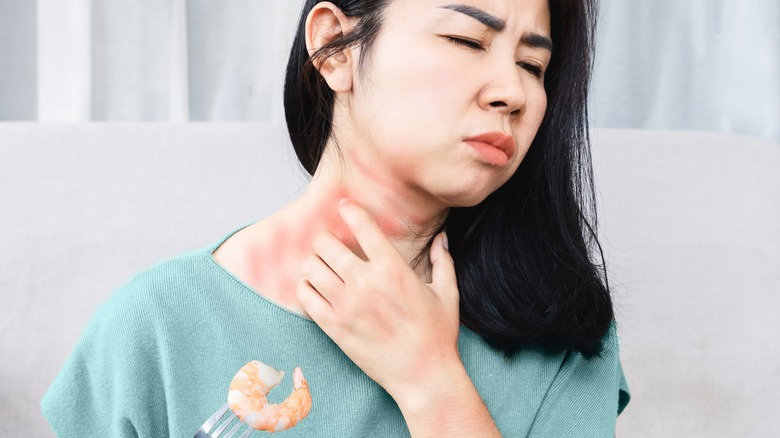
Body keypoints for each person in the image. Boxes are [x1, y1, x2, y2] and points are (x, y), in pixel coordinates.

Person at [41, 0, 631, 436]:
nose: (513, 92)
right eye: (467, 41)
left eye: (533, 65)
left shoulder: (565, 334)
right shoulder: (156, 327)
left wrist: (431, 382)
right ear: (335, 48)